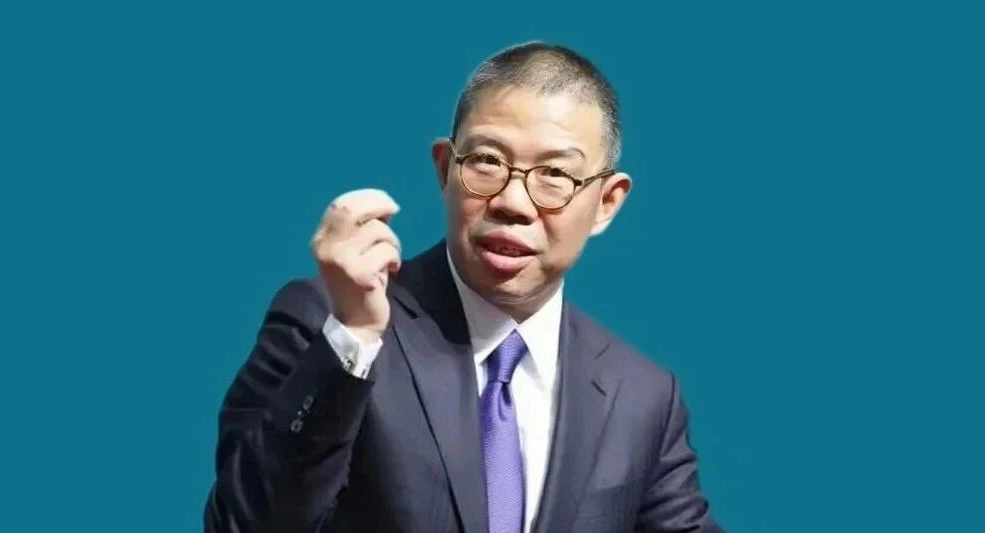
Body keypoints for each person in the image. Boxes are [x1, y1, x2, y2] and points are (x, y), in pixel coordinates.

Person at [204, 41, 721, 533]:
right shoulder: (327, 323)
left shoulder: (641, 396)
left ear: (607, 202)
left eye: (554, 174)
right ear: (445, 170)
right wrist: (353, 339)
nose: (512, 202)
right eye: (488, 162)